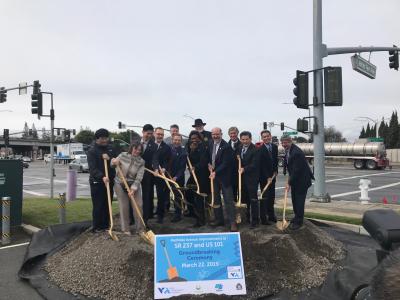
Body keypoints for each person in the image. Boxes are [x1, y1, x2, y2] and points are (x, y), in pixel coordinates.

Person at [111, 142, 145, 234]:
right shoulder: (122, 155)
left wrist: (133, 189)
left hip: (133, 183)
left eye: (139, 150)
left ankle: (140, 229)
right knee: (124, 206)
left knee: (138, 205)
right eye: (136, 149)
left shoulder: (141, 162)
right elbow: (112, 164)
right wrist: (114, 162)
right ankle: (126, 229)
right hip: (120, 183)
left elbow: (139, 177)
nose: (137, 151)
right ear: (131, 148)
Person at [281, 135, 314, 230]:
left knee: (299, 201)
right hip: (295, 180)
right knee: (295, 200)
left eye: (286, 142)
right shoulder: (289, 150)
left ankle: (299, 222)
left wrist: (289, 183)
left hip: (301, 181)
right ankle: (296, 217)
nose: (284, 144)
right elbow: (289, 167)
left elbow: (296, 170)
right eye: (282, 143)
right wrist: (289, 180)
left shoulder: (296, 152)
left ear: (290, 141)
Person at [208, 127, 237, 232]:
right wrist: (209, 165)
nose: (215, 136)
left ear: (221, 134)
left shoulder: (226, 147)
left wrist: (215, 172)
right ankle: (219, 219)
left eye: (217, 134)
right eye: (213, 134)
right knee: (216, 199)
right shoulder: (211, 143)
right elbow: (210, 157)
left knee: (228, 200)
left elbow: (226, 163)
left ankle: (232, 222)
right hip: (214, 177)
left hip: (225, 177)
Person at [87, 128, 116, 232]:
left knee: (108, 203)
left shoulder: (110, 149)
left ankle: (106, 225)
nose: (105, 140)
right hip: (97, 182)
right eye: (102, 138)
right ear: (97, 139)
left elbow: (115, 160)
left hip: (109, 181)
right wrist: (102, 176)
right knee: (98, 205)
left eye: (106, 138)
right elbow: (92, 169)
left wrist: (111, 159)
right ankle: (97, 226)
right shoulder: (92, 151)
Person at [186, 131, 210, 227]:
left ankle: (201, 220)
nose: (194, 140)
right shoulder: (190, 146)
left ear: (199, 138)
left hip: (202, 176)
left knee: (199, 197)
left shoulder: (203, 147)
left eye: (196, 138)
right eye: (192, 138)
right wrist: (191, 151)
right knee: (188, 192)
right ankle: (192, 212)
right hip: (193, 175)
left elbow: (204, 161)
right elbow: (188, 161)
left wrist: (195, 167)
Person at [238, 131, 260, 228]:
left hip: (251, 179)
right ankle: (246, 218)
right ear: (240, 139)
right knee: (244, 199)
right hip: (241, 179)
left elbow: (255, 164)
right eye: (243, 139)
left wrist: (244, 169)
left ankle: (255, 221)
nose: (245, 141)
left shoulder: (255, 150)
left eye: (247, 139)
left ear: (250, 139)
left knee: (253, 200)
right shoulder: (239, 148)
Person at [258, 130, 279, 225]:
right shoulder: (260, 149)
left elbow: (275, 160)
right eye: (264, 137)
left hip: (272, 176)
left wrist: (276, 171)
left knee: (272, 196)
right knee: (265, 197)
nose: (266, 138)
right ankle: (264, 217)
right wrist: (267, 177)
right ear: (262, 138)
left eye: (267, 136)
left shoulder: (274, 147)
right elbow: (261, 165)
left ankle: (271, 215)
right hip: (264, 178)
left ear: (270, 136)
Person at [152, 127, 172, 223]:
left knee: (161, 196)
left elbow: (167, 160)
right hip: (150, 173)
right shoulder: (150, 145)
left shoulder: (167, 147)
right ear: (154, 134)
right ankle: (148, 214)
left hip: (161, 174)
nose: (160, 136)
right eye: (158, 134)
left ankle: (160, 216)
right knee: (148, 194)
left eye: (161, 134)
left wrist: (164, 168)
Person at [169, 134, 187, 223]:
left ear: (181, 141)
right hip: (167, 176)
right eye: (175, 140)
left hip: (178, 178)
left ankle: (178, 214)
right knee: (167, 194)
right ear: (172, 140)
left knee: (178, 196)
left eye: (178, 140)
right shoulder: (169, 150)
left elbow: (182, 167)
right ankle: (166, 211)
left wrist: (176, 177)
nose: (177, 142)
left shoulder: (183, 152)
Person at [140, 124, 156, 225]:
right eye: (147, 133)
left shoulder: (153, 145)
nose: (149, 135)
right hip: (135, 173)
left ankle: (146, 217)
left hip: (148, 173)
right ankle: (133, 217)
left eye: (151, 133)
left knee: (147, 195)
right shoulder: (136, 143)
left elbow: (154, 158)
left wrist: (155, 168)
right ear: (143, 132)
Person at [228, 126, 242, 202]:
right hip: (230, 175)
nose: (233, 135)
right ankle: (233, 210)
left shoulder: (242, 144)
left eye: (234, 133)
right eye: (231, 133)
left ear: (237, 133)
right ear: (229, 135)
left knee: (241, 194)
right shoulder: (226, 145)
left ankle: (241, 211)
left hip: (240, 173)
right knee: (232, 195)